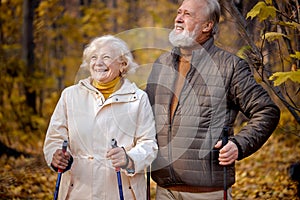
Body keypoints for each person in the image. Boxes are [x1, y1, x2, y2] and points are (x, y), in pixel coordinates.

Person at [145, 0, 280, 199]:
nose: (178, 18)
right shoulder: (162, 64)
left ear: (207, 26)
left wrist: (239, 144)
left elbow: (266, 111)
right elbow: (144, 115)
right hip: (164, 190)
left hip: (208, 193)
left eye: (188, 14)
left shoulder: (230, 67)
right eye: (179, 12)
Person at [43, 35, 158, 200]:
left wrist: (129, 159)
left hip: (122, 193)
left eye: (106, 57)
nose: (98, 63)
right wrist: (56, 156)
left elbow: (149, 144)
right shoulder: (70, 95)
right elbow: (54, 139)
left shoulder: (138, 98)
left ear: (123, 64)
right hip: (77, 192)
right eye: (94, 58)